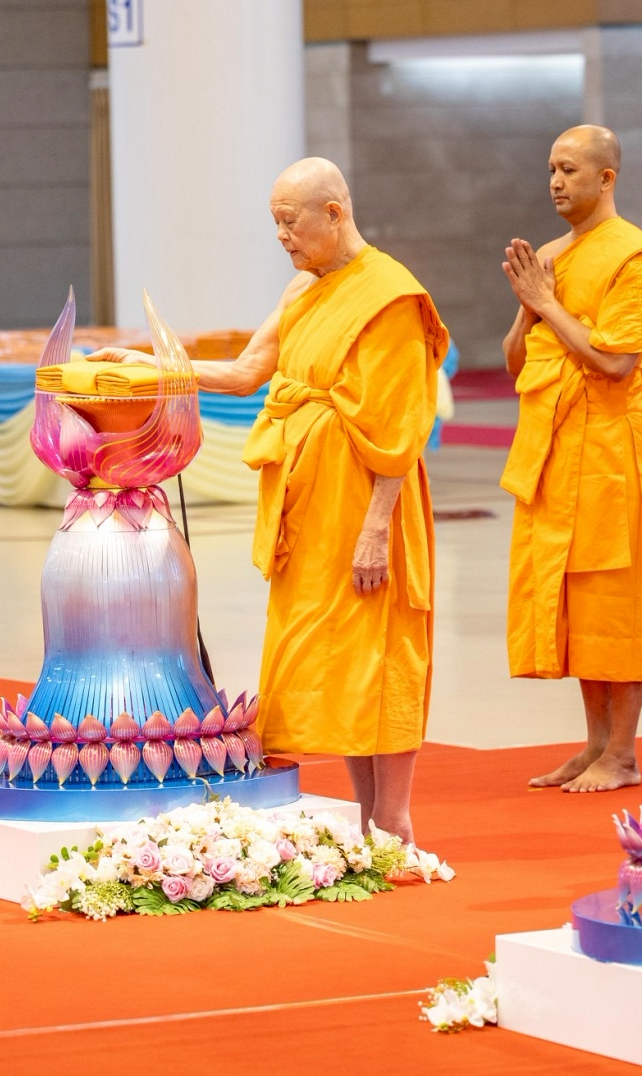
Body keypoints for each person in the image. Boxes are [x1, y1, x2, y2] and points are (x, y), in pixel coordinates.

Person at [98, 157, 448, 841]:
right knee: (332, 658)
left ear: (334, 213)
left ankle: (397, 817)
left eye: (290, 222)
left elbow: (404, 424)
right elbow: (249, 370)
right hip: (309, 504)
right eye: (275, 224)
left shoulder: (391, 296)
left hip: (367, 500)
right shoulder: (302, 290)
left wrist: (377, 528)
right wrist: (158, 365)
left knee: (378, 651)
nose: (282, 237)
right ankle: (365, 818)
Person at [499, 126, 642, 794]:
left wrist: (548, 304)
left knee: (613, 598)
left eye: (570, 169)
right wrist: (527, 310)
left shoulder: (634, 256)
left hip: (608, 452)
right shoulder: (551, 254)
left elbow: (614, 359)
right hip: (553, 452)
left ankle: (624, 752)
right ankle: (596, 743)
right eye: (550, 168)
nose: (555, 181)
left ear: (606, 178)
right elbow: (519, 361)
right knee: (575, 600)